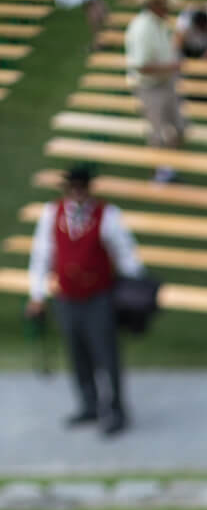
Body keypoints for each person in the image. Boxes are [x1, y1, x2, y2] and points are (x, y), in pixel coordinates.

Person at [25, 162, 142, 436]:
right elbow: (42, 254)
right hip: (66, 296)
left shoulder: (107, 215)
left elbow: (126, 253)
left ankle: (115, 409)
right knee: (77, 353)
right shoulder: (52, 214)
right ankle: (89, 404)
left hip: (98, 296)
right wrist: (37, 294)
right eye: (72, 187)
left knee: (106, 354)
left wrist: (135, 284)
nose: (77, 193)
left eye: (82, 187)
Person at [124, 0, 186, 181]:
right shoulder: (142, 28)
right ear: (156, 5)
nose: (170, 9)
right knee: (158, 135)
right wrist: (172, 67)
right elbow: (141, 66)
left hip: (165, 83)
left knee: (179, 128)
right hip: (150, 88)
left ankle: (168, 169)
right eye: (166, 5)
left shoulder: (159, 23)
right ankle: (159, 175)